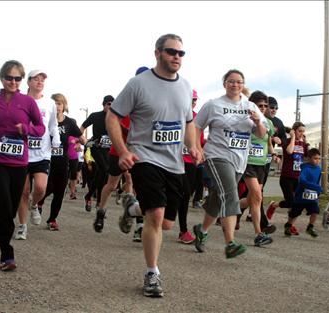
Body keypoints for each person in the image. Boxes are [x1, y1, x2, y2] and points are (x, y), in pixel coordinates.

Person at [106, 34, 201, 298]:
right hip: (144, 156)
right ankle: (152, 273)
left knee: (167, 223)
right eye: (171, 52)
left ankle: (132, 207)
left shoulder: (185, 86)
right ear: (158, 52)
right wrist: (123, 151)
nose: (177, 57)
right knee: (156, 215)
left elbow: (189, 121)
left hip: (174, 162)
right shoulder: (139, 84)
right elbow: (112, 117)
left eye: (181, 53)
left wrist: (193, 145)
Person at [0, 60, 45, 271]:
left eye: (17, 78)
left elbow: (40, 128)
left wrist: (26, 129)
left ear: (22, 80)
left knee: (11, 207)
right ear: (2, 78)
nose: (13, 82)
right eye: (9, 78)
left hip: (19, 162)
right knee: (5, 205)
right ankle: (7, 254)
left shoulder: (28, 102)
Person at [192, 69, 267, 258]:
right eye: (231, 81)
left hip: (239, 160)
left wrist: (257, 122)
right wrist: (197, 148)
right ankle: (230, 242)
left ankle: (202, 230)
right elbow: (196, 126)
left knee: (218, 199)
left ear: (243, 84)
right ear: (224, 83)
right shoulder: (213, 105)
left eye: (239, 82)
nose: (235, 85)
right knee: (231, 194)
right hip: (217, 156)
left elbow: (262, 134)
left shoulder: (250, 106)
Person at [100, 66, 149, 241]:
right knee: (112, 184)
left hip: (139, 152)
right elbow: (112, 120)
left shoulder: (153, 100)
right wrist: (124, 128)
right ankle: (101, 210)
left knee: (136, 184)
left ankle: (139, 226)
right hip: (119, 150)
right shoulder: (128, 96)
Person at [14, 70, 60, 240]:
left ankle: (35, 205)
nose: (40, 82)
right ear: (28, 82)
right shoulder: (20, 101)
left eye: (43, 79)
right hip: (23, 152)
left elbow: (53, 124)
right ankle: (22, 226)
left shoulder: (49, 103)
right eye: (36, 79)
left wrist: (56, 137)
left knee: (41, 187)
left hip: (42, 152)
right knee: (24, 191)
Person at [37, 93, 84, 231]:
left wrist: (82, 142)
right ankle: (38, 201)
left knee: (59, 191)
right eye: (54, 103)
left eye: (59, 104)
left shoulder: (69, 122)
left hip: (63, 161)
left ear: (64, 106)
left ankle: (52, 219)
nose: (57, 107)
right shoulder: (45, 120)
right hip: (46, 160)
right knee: (48, 186)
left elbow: (80, 137)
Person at [238, 90, 275, 244]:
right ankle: (258, 234)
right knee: (258, 196)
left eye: (265, 106)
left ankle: (228, 210)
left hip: (262, 164)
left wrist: (273, 151)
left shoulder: (268, 122)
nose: (263, 108)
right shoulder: (244, 120)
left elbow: (268, 139)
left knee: (251, 198)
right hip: (248, 163)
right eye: (260, 105)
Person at [266, 122, 309, 236]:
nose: (302, 133)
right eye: (299, 131)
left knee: (298, 203)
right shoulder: (288, 141)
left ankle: (290, 225)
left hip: (298, 177)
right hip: (287, 177)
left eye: (303, 131)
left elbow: (307, 156)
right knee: (290, 202)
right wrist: (293, 137)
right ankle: (274, 205)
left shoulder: (303, 144)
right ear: (294, 131)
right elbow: (289, 151)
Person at [81, 95, 113, 232]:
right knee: (104, 170)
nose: (110, 107)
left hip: (108, 150)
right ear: (104, 105)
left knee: (103, 174)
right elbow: (81, 127)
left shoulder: (115, 118)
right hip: (95, 147)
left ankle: (90, 196)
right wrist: (82, 140)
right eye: (108, 104)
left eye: (113, 104)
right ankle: (98, 202)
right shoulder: (95, 116)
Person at [176, 89, 204, 244]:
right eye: (191, 100)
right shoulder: (174, 113)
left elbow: (199, 139)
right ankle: (145, 221)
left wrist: (200, 152)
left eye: (195, 100)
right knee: (170, 195)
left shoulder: (195, 117)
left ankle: (183, 231)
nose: (193, 103)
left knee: (186, 194)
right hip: (173, 160)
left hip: (189, 162)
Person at [284, 148, 322, 237]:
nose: (317, 161)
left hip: (312, 197)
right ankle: (288, 226)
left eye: (318, 158)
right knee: (294, 213)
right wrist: (315, 187)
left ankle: (310, 227)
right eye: (315, 158)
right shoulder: (305, 168)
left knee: (315, 211)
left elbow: (317, 181)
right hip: (301, 197)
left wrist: (318, 191)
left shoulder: (318, 169)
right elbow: (302, 181)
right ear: (309, 159)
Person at [67, 135, 80, 200]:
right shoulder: (65, 134)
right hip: (65, 157)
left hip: (74, 158)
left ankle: (72, 193)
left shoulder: (76, 137)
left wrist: (78, 145)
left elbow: (79, 146)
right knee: (64, 174)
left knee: (73, 175)